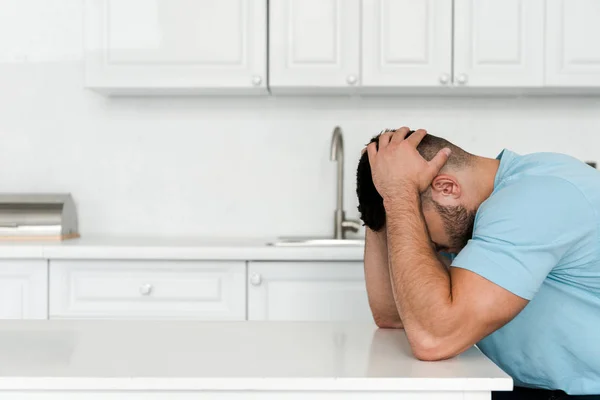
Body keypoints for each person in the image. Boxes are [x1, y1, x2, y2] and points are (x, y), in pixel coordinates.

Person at [356, 127, 600, 400]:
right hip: (520, 386)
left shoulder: (534, 199)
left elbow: (434, 339)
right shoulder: (471, 212)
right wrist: (385, 194)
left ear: (446, 188)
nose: (426, 245)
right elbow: (394, 316)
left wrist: (401, 194)